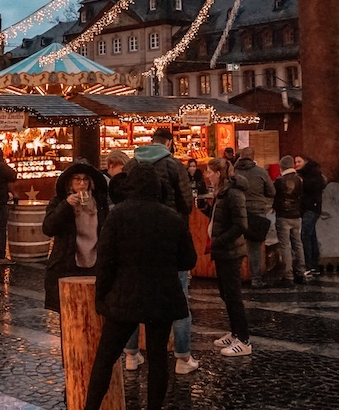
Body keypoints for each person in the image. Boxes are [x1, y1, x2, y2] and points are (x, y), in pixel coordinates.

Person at [82, 163, 197, 410]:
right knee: (158, 361)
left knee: (105, 359)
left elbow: (105, 261)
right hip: (161, 296)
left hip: (125, 296)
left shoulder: (118, 215)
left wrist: (101, 298)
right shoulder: (171, 217)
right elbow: (189, 260)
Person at [120, 128, 195, 372]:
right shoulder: (174, 166)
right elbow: (186, 202)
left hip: (135, 240)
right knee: (179, 299)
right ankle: (183, 358)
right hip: (168, 241)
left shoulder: (131, 164)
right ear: (170, 142)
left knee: (132, 298)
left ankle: (131, 355)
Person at [42, 160, 108, 312]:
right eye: (77, 179)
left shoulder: (100, 203)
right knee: (69, 312)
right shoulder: (59, 202)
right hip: (68, 264)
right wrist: (65, 206)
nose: (81, 183)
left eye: (85, 179)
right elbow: (48, 228)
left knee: (93, 311)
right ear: (70, 182)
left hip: (95, 264)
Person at [205, 158, 251, 357]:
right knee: (226, 294)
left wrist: (219, 241)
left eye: (209, 171)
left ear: (218, 173)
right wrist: (206, 211)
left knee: (233, 295)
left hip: (230, 251)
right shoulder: (221, 194)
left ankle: (244, 339)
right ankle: (234, 333)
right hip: (223, 250)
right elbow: (221, 219)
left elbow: (240, 225)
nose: (207, 175)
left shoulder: (233, 194)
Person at [232, 147, 275, 287]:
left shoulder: (233, 172)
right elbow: (271, 192)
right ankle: (256, 278)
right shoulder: (261, 172)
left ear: (240, 156)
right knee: (255, 248)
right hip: (257, 212)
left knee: (235, 245)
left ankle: (236, 277)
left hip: (238, 212)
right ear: (253, 157)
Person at [273, 155, 306, 284]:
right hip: (296, 216)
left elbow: (273, 195)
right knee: (298, 244)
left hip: (283, 216)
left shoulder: (279, 181)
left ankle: (288, 275)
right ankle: (301, 272)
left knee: (285, 245)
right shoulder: (300, 180)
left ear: (281, 167)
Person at [296, 155, 325, 276]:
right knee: (311, 235)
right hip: (311, 207)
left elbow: (312, 188)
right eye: (295, 162)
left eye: (299, 161)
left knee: (305, 235)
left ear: (306, 161)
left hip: (310, 208)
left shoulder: (311, 175)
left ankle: (309, 264)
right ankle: (314, 264)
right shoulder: (310, 173)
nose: (296, 164)